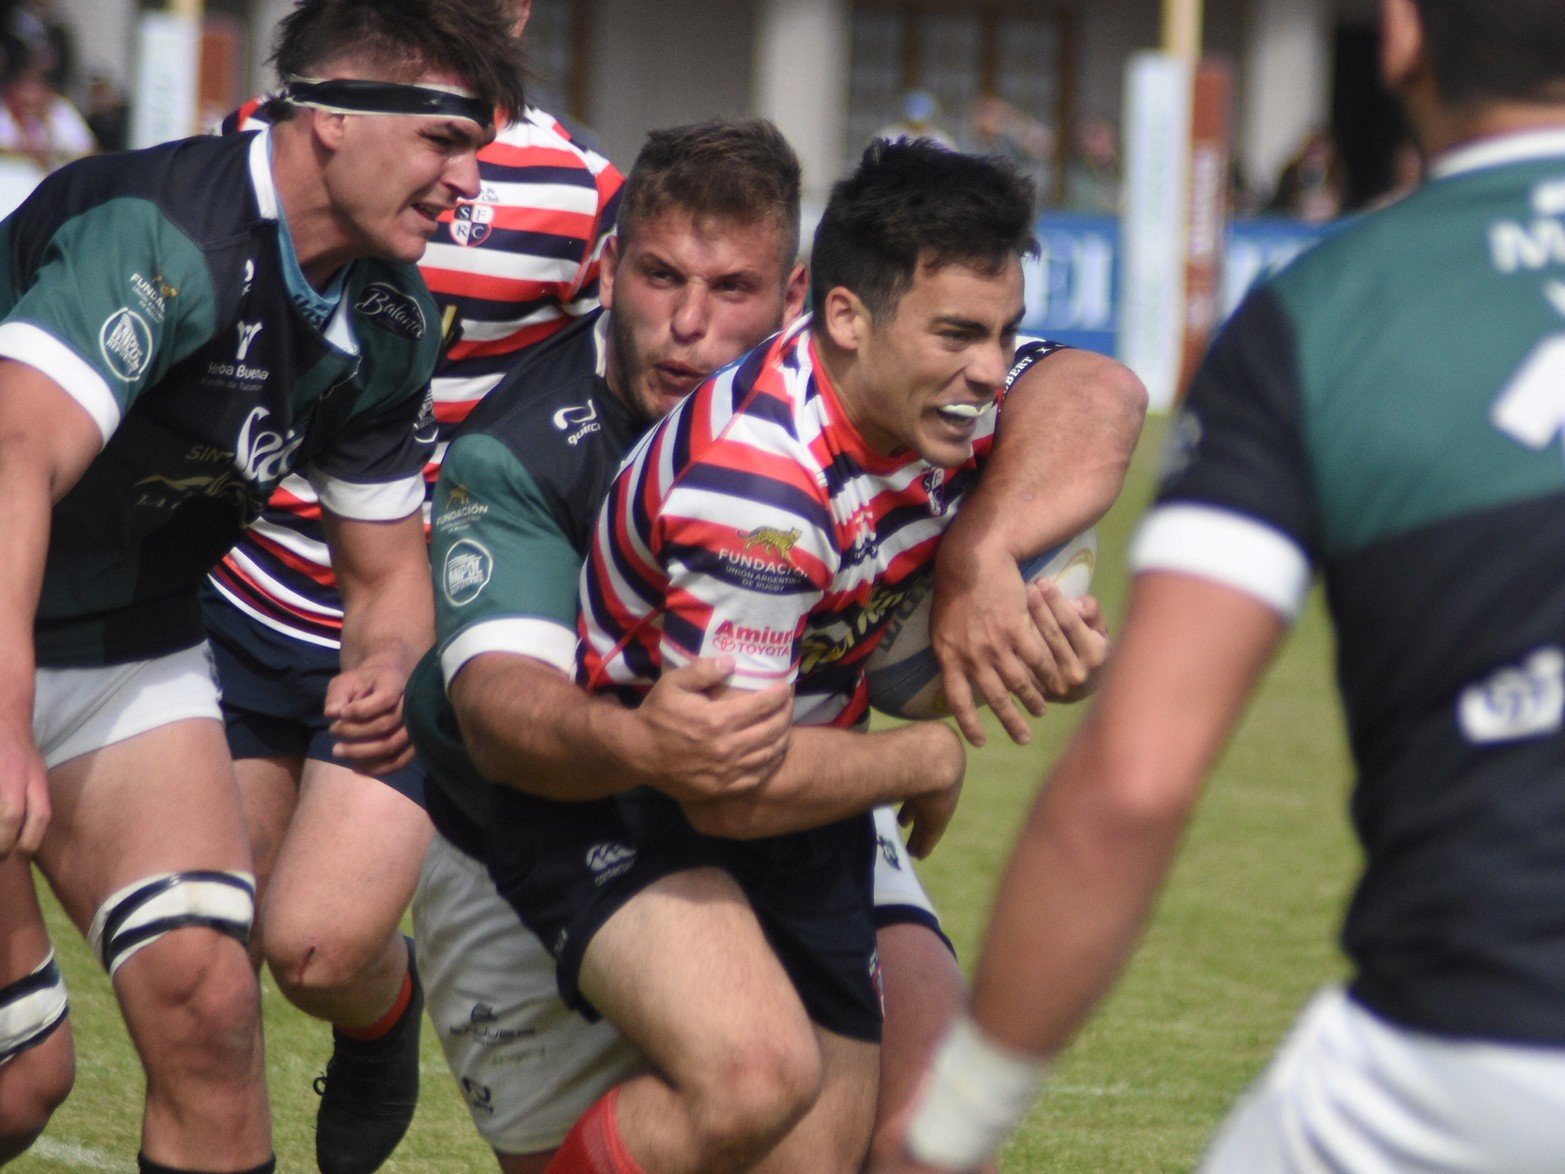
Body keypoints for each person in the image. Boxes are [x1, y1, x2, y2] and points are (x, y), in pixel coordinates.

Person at [881, 1, 1565, 1171]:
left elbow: (1132, 788)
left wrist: (939, 1135)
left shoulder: (1329, 315)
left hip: (1472, 1054)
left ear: (1397, 35)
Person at [482, 137, 1138, 1174]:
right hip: (637, 802)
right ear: (841, 315)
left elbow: (1105, 397)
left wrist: (984, 558)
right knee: (756, 1079)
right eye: (959, 335)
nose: (986, 371)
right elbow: (725, 788)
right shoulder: (763, 492)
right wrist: (923, 761)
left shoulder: (922, 396)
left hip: (805, 794)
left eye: (1002, 335)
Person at [0, 0, 523, 1170]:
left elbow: (387, 572)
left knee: (209, 1007)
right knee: (22, 1075)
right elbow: (13, 454)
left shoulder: (389, 318)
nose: (466, 182)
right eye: (445, 139)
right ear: (332, 115)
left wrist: (385, 663)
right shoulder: (164, 234)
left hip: (127, 646)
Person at [202, 1, 621, 1169]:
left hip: (415, 615)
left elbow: (661, 366)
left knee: (321, 949)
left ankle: (380, 1018)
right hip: (240, 595)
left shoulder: (583, 193)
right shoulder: (278, 129)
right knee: (203, 940)